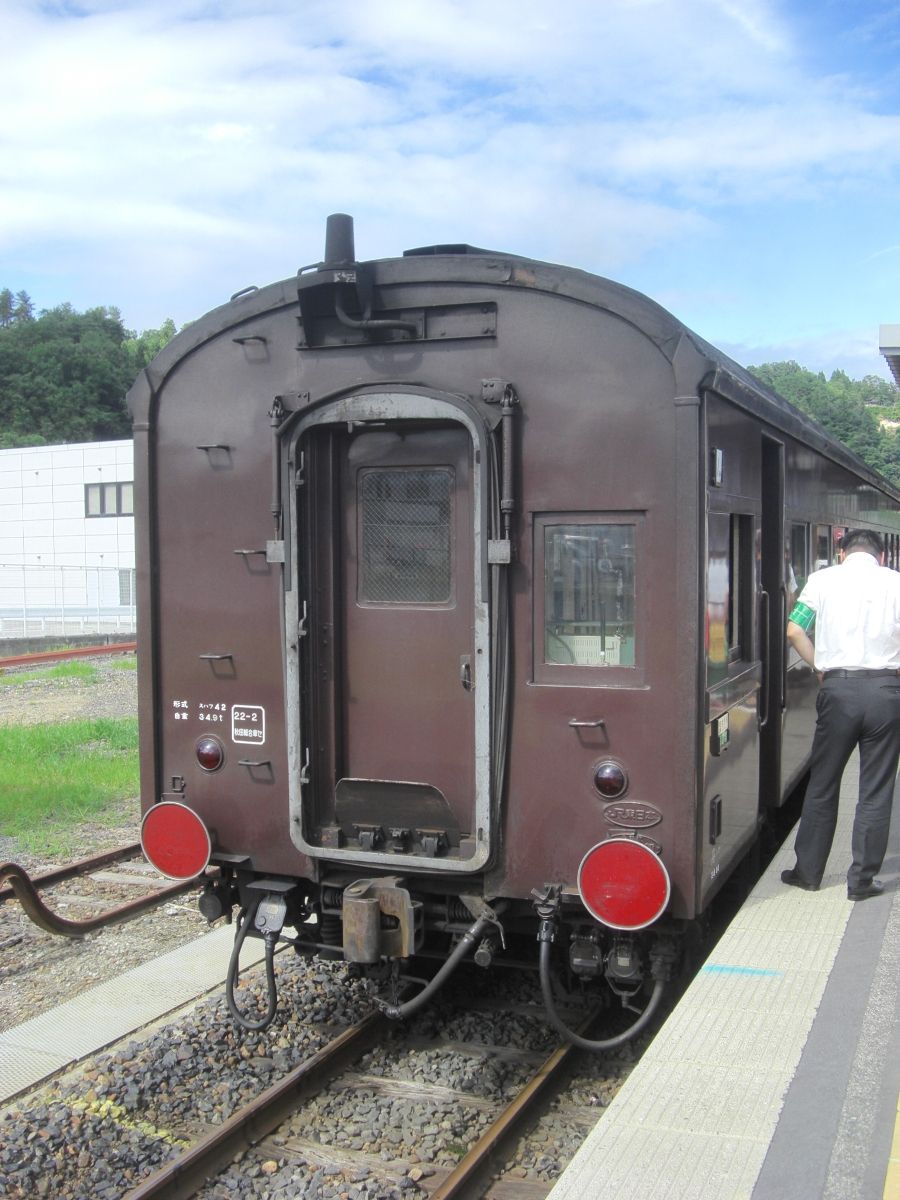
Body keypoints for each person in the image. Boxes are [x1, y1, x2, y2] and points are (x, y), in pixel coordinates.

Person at [782, 528, 900, 900]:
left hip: (837, 690)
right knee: (876, 789)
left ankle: (808, 873)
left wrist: (821, 666)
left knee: (823, 782)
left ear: (842, 553)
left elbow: (794, 630)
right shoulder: (896, 582)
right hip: (886, 691)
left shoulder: (821, 579)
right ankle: (861, 881)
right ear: (880, 556)